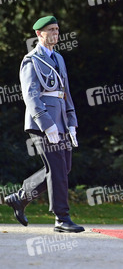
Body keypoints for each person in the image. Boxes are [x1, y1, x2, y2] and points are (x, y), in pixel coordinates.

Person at [5, 15, 84, 233]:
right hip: (43, 122)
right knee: (58, 168)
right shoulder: (31, 60)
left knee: (63, 167)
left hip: (60, 121)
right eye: (50, 30)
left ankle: (19, 198)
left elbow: (65, 93)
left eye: (57, 29)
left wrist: (71, 122)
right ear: (39, 34)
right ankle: (62, 218)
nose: (55, 33)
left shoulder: (58, 58)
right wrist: (46, 124)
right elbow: (30, 95)